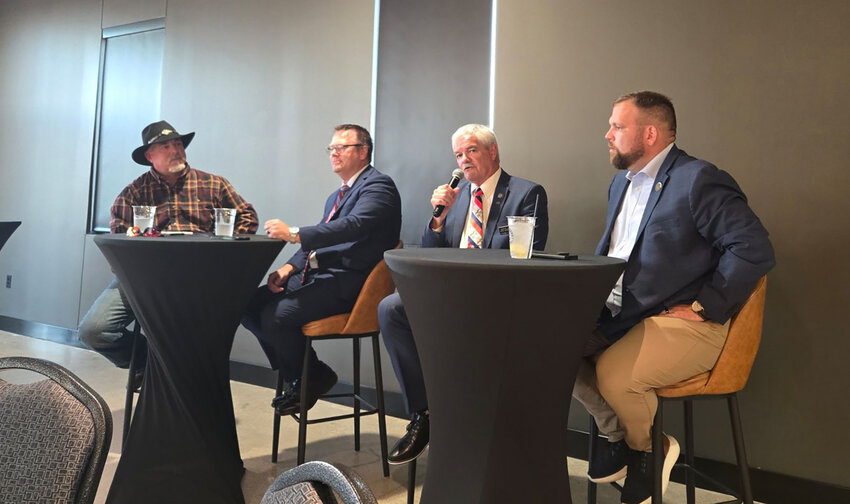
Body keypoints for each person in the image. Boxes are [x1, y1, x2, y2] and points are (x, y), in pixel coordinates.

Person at [573, 91, 775, 504]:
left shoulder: (697, 179)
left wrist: (707, 306)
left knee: (613, 374)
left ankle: (650, 450)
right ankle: (623, 436)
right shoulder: (620, 184)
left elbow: (753, 247)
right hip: (621, 315)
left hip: (683, 322)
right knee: (547, 349)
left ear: (649, 133)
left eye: (617, 126)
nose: (606, 134)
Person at [379, 123, 550, 465]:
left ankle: (471, 424)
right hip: (448, 292)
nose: (464, 160)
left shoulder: (526, 193)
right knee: (391, 309)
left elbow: (528, 251)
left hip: (496, 295)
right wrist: (438, 219)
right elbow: (431, 251)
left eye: (471, 151)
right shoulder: (454, 199)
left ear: (492, 152)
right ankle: (424, 413)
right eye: (458, 154)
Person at [78, 120, 259, 383]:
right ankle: (150, 365)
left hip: (201, 278)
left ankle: (178, 377)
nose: (176, 149)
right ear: (150, 156)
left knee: (196, 335)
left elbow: (247, 218)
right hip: (144, 279)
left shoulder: (214, 184)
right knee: (93, 330)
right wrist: (138, 274)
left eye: (178, 144)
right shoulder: (133, 194)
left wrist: (222, 249)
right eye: (166, 146)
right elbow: (118, 245)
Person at [242, 124, 402, 415]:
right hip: (321, 277)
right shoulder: (336, 196)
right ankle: (307, 375)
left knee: (277, 316)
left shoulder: (379, 186)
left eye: (342, 147)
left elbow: (353, 227)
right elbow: (321, 242)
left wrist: (293, 232)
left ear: (363, 151)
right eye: (331, 148)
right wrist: (289, 266)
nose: (334, 153)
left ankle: (303, 379)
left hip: (352, 283)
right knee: (246, 304)